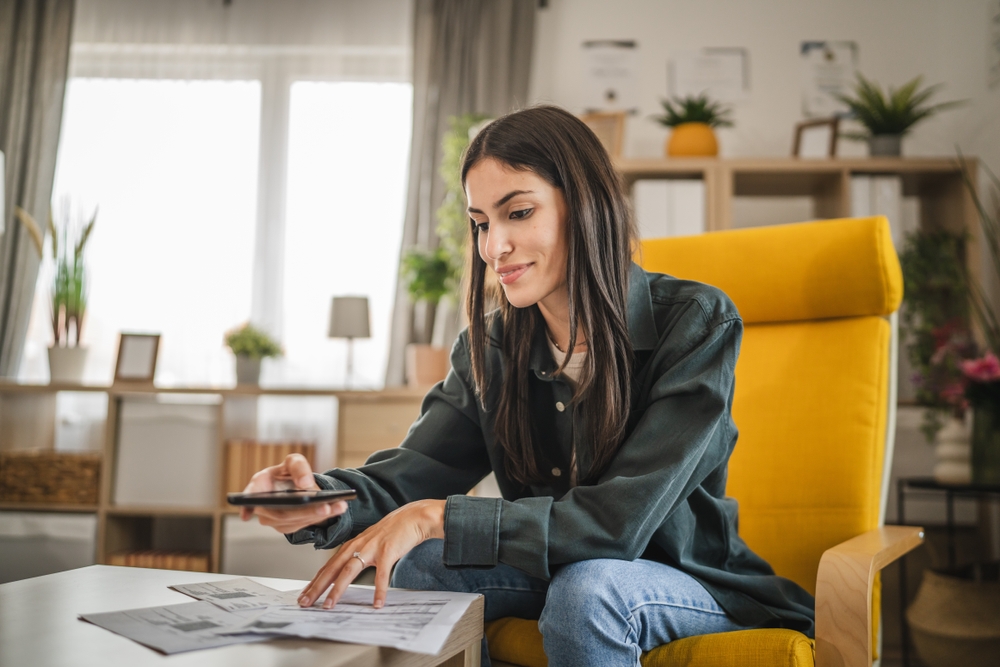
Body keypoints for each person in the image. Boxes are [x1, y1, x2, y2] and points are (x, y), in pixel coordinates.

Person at [241, 105, 815, 666]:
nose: (494, 248)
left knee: (590, 592)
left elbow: (616, 526)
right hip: (556, 571)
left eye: (517, 213)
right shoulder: (489, 348)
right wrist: (316, 501)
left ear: (584, 205)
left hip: (684, 584)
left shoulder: (696, 323)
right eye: (482, 223)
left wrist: (436, 516)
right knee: (420, 566)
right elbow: (411, 475)